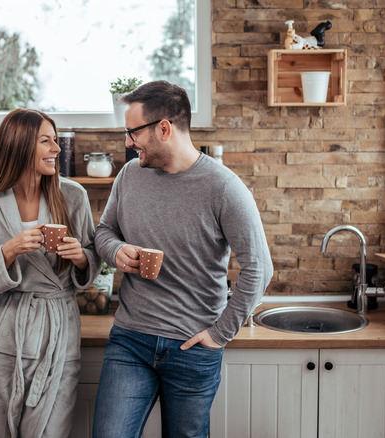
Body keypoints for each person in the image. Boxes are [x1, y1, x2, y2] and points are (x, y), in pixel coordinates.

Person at [92, 81, 274, 437]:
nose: (128, 142)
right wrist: (116, 251)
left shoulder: (223, 187)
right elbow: (103, 232)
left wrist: (219, 334)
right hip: (131, 340)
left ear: (163, 129)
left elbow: (259, 267)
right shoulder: (129, 176)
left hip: (192, 349)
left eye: (132, 132)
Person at [0, 108, 101, 437]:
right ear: (20, 145)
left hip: (57, 331)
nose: (56, 149)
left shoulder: (73, 196)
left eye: (56, 141)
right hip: (3, 333)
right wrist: (9, 251)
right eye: (46, 141)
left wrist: (80, 257)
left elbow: (94, 259)